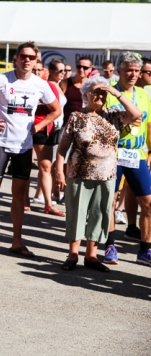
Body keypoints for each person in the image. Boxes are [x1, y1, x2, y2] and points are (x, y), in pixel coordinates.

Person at [0, 41, 61, 257]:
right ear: (16, 58)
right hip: (1, 143)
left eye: (31, 57)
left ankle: (17, 241)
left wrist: (39, 125)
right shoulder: (1, 79)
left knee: (19, 195)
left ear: (37, 60)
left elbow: (55, 110)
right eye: (23, 56)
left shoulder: (41, 84)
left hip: (24, 146)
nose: (27, 60)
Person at [55, 77, 140, 272]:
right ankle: (72, 254)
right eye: (95, 92)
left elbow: (136, 113)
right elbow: (63, 148)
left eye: (103, 93)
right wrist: (59, 171)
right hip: (78, 173)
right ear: (86, 95)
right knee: (76, 213)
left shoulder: (114, 116)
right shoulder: (77, 117)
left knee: (99, 214)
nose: (100, 96)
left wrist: (115, 92)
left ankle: (91, 256)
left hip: (106, 175)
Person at [101, 52, 151, 267]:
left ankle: (145, 249)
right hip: (114, 153)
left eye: (136, 71)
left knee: (148, 203)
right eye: (129, 69)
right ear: (119, 70)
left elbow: (148, 125)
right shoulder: (109, 92)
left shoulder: (143, 94)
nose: (133, 74)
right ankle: (110, 245)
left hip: (137, 154)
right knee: (110, 201)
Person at [29, 60, 65, 216]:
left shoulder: (48, 86)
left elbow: (55, 109)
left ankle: (48, 203)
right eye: (34, 70)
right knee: (25, 165)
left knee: (46, 166)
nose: (37, 73)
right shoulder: (24, 85)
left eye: (39, 70)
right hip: (28, 128)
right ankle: (25, 200)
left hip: (47, 128)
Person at [60, 56, 93, 126]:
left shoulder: (92, 85)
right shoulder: (65, 83)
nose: (81, 69)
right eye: (79, 66)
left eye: (85, 68)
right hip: (67, 124)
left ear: (90, 69)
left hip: (86, 125)